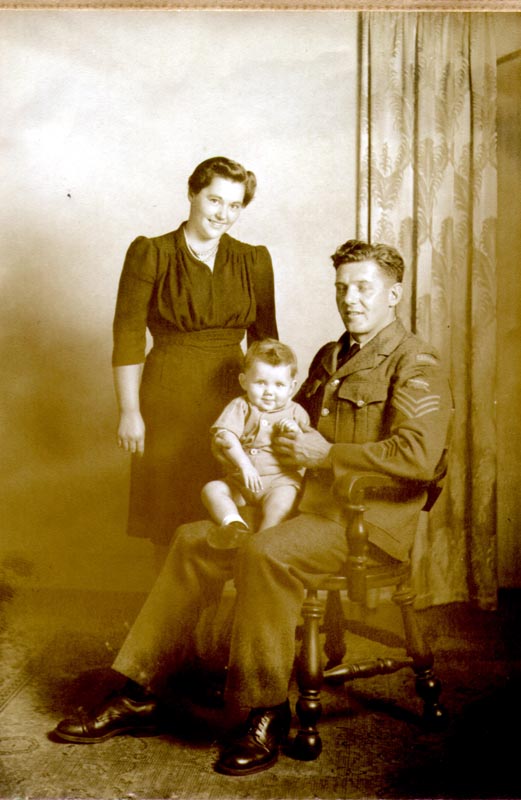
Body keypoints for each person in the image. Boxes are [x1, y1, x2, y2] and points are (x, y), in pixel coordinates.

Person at [53, 240, 452, 777]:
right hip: (306, 506)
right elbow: (282, 421)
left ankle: (265, 710)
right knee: (194, 539)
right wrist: (241, 446)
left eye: (364, 288)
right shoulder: (331, 357)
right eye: (342, 287)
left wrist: (328, 455)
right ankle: (141, 692)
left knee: (265, 553)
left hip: (364, 522)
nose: (350, 299)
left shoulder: (415, 361)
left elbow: (420, 457)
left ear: (394, 294)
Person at [112, 156, 278, 556]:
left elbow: (266, 343)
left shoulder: (254, 259)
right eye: (214, 200)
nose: (223, 214)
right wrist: (130, 411)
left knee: (228, 510)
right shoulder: (151, 253)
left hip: (232, 401)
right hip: (168, 399)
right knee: (168, 516)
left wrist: (269, 414)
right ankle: (172, 599)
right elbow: (128, 337)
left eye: (234, 205)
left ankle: (219, 599)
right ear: (192, 193)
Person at [201, 338, 310, 549]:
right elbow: (225, 435)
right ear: (244, 381)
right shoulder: (240, 406)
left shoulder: (297, 413)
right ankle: (235, 526)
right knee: (212, 489)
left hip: (279, 481)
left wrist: (296, 433)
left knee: (283, 501)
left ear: (291, 387)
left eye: (279, 385)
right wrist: (245, 466)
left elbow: (306, 451)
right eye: (261, 383)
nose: (269, 391)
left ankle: (263, 540)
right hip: (241, 482)